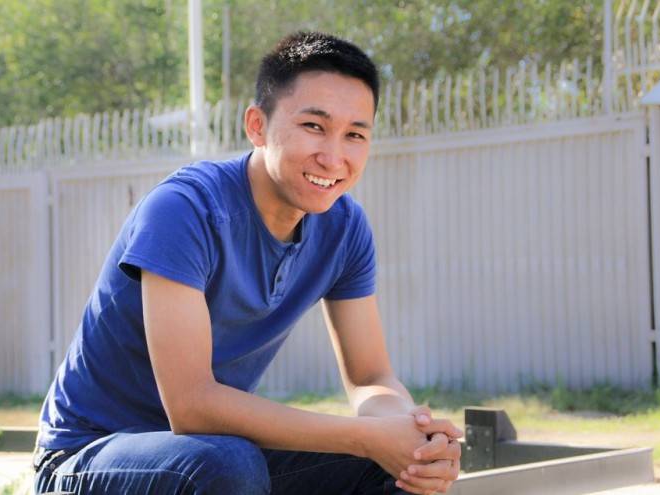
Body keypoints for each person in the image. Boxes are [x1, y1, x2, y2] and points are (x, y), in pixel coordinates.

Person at [33, 31, 462, 495]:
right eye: (314, 126)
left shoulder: (344, 228)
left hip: (207, 453)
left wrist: (411, 431)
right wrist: (364, 437)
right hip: (87, 456)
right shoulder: (185, 210)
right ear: (257, 125)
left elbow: (370, 377)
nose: (333, 156)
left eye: (355, 134)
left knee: (397, 466)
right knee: (227, 464)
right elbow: (191, 405)